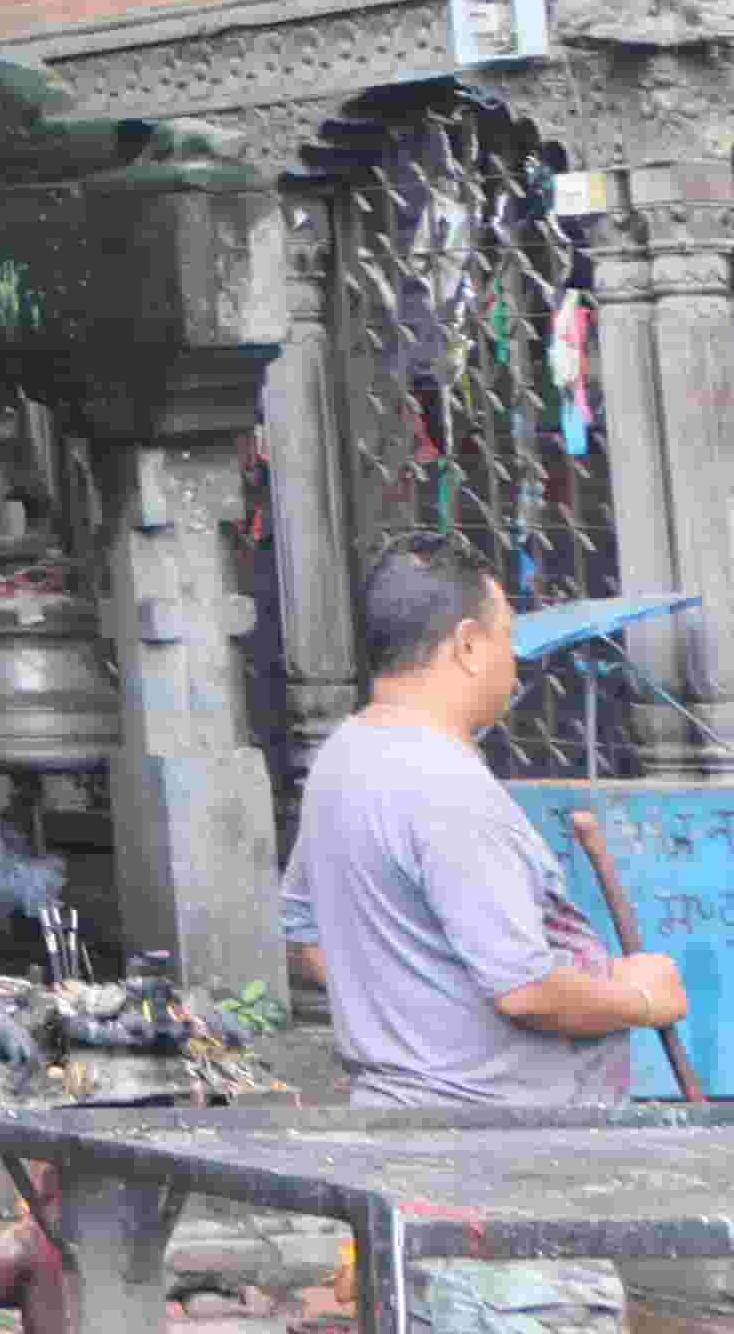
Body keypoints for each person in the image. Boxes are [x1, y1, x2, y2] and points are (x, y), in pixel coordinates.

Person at [279, 545, 681, 1334]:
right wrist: (638, 997)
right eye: (505, 637)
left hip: (403, 1150)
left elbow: (309, 941)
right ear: (465, 644)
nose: (514, 662)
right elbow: (523, 988)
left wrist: (405, 1003)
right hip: (500, 1173)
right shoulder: (446, 789)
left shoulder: (343, 760)